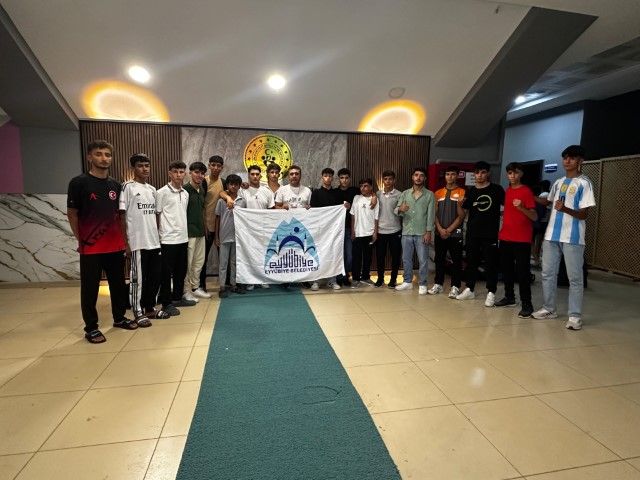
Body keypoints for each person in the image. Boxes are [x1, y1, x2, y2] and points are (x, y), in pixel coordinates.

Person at [67, 140, 137, 344]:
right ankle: (91, 327)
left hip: (115, 245)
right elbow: (72, 213)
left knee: (118, 285)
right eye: (99, 154)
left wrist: (125, 242)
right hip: (91, 248)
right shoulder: (78, 183)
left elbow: (120, 216)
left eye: (107, 154)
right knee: (90, 288)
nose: (104, 158)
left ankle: (119, 318)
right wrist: (81, 239)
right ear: (89, 157)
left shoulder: (116, 185)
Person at [532, 145, 596, 330]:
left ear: (580, 161)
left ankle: (575, 316)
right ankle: (549, 308)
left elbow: (584, 214)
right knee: (547, 274)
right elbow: (548, 202)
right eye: (565, 157)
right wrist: (529, 195)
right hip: (551, 235)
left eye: (572, 158)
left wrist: (565, 208)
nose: (567, 161)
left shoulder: (584, 183)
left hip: (573, 238)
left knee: (574, 278)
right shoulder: (559, 182)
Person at [120, 154, 166, 327]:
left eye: (147, 165)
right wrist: (126, 243)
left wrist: (158, 237)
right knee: (137, 280)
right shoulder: (127, 187)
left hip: (153, 241)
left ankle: (149, 308)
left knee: (154, 277)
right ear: (133, 168)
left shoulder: (152, 189)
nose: (145, 169)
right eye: (140, 165)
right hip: (137, 242)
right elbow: (121, 215)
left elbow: (155, 216)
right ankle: (137, 311)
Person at [456, 161, 505, 306]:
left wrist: (503, 228)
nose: (480, 175)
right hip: (473, 232)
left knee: (491, 263)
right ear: (474, 174)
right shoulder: (471, 191)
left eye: (483, 172)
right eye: (477, 172)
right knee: (471, 262)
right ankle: (469, 289)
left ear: (488, 173)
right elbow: (463, 215)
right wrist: (459, 205)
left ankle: (491, 292)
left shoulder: (497, 189)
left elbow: (505, 210)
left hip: (490, 233)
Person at [495, 162, 537, 318]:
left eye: (516, 172)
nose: (512, 176)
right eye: (510, 173)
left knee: (522, 272)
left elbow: (534, 216)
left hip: (522, 239)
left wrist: (521, 208)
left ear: (521, 174)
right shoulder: (507, 191)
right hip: (506, 236)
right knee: (506, 270)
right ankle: (509, 297)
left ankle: (527, 304)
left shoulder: (526, 191)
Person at [156, 161, 193, 314]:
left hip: (183, 238)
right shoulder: (161, 192)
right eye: (175, 172)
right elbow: (157, 216)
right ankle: (166, 303)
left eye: (181, 172)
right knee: (166, 273)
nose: (179, 175)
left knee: (181, 271)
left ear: (185, 174)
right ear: (170, 173)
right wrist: (158, 237)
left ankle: (177, 298)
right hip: (167, 239)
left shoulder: (186, 193)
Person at [395, 167, 435, 295]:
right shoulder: (405, 193)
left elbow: (431, 215)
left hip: (422, 232)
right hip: (407, 231)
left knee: (423, 260)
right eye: (416, 175)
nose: (418, 177)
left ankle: (423, 283)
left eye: (421, 175)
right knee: (406, 258)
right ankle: (407, 282)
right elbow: (396, 210)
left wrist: (428, 231)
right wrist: (400, 209)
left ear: (425, 178)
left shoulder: (429, 194)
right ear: (412, 177)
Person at [429, 165, 466, 298]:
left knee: (456, 261)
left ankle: (455, 286)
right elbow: (434, 214)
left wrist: (449, 230)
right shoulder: (437, 193)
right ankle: (438, 284)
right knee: (439, 259)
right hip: (440, 232)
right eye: (447, 174)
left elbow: (462, 216)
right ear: (444, 176)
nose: (450, 177)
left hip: (455, 234)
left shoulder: (462, 192)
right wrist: (440, 229)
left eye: (453, 174)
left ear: (457, 176)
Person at [309, 167, 342, 291]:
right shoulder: (316, 193)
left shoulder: (337, 193)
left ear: (333, 178)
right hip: (319, 229)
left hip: (333, 230)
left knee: (333, 254)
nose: (328, 178)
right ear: (322, 177)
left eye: (330, 176)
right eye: (325, 176)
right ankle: (315, 281)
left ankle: (332, 281)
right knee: (318, 254)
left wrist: (345, 206)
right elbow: (313, 211)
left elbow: (340, 209)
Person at [183, 162, 211, 302]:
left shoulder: (201, 190)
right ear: (190, 173)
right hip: (189, 233)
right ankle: (186, 291)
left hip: (200, 232)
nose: (199, 175)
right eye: (196, 172)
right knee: (188, 264)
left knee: (198, 262)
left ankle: (195, 287)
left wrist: (205, 228)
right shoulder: (185, 190)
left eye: (202, 173)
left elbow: (202, 211)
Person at [215, 174, 246, 298]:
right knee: (223, 263)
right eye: (231, 184)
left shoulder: (242, 201)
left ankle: (233, 284)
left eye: (236, 184)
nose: (233, 186)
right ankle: (222, 286)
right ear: (227, 185)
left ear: (239, 186)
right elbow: (217, 219)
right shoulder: (221, 201)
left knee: (234, 262)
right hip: (224, 236)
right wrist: (216, 237)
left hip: (237, 237)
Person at [200, 155, 225, 292]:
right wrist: (203, 225)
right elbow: (201, 205)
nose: (215, 168)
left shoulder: (224, 182)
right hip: (207, 226)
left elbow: (231, 192)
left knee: (224, 258)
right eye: (213, 165)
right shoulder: (204, 182)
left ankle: (225, 284)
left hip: (221, 228)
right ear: (209, 165)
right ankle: (201, 285)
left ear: (222, 167)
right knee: (203, 258)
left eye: (218, 166)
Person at [333, 168, 361, 287]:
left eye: (346, 178)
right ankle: (340, 277)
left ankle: (346, 274)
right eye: (342, 178)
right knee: (339, 254)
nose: (344, 180)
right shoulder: (334, 192)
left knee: (349, 256)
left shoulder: (355, 191)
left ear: (350, 179)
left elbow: (368, 195)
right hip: (336, 229)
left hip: (350, 228)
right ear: (338, 179)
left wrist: (374, 196)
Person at [375, 170, 402, 288]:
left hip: (395, 231)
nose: (388, 181)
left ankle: (393, 279)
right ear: (383, 181)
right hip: (381, 231)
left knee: (395, 257)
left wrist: (400, 209)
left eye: (390, 179)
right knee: (380, 257)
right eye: (385, 179)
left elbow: (400, 211)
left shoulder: (399, 194)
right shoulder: (377, 194)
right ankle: (380, 279)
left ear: (394, 180)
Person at [350, 178, 380, 288]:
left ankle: (366, 277)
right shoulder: (356, 198)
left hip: (369, 233)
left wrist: (375, 232)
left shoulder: (375, 199)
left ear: (371, 187)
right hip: (358, 233)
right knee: (356, 257)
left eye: (366, 186)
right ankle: (355, 278)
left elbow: (376, 218)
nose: (363, 188)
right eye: (361, 186)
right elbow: (352, 215)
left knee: (368, 257)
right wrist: (352, 231)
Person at [531, 180, 551, 268]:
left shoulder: (543, 195)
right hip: (545, 221)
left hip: (539, 221)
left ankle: (536, 258)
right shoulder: (549, 194)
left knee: (533, 240)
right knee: (539, 240)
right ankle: (537, 257)